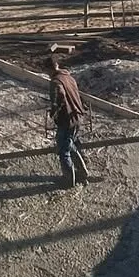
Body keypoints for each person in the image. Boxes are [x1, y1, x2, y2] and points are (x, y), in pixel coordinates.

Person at [46, 54, 90, 188]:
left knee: (63, 150)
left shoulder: (55, 82)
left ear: (49, 69)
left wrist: (53, 111)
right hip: (77, 117)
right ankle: (83, 173)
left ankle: (69, 180)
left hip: (67, 120)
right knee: (70, 145)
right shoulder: (69, 77)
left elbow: (59, 96)